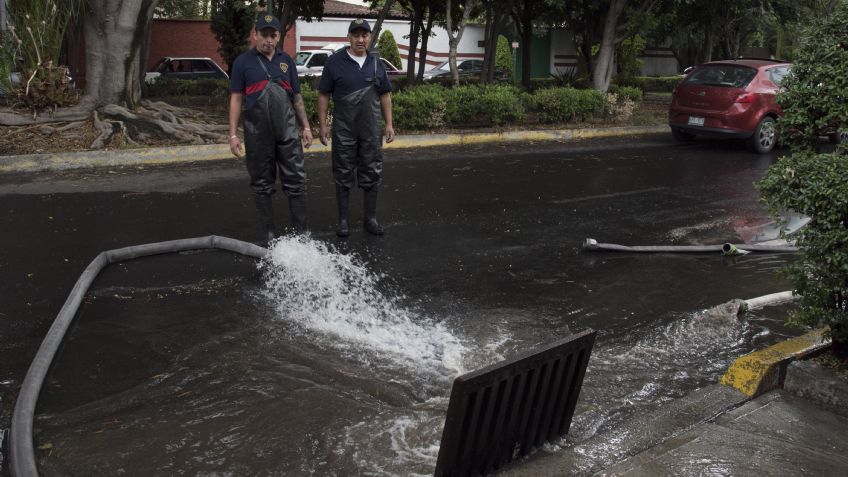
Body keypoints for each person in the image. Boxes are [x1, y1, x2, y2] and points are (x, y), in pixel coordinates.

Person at [228, 14, 313, 243]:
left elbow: (297, 98)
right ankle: (269, 235)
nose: (268, 40)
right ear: (254, 34)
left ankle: (302, 234)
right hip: (257, 136)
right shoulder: (242, 62)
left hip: (287, 132)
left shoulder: (287, 61)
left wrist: (305, 127)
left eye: (272, 35)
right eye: (263, 34)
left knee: (296, 181)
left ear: (278, 36)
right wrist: (233, 134)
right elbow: (236, 99)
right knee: (262, 184)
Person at [317, 18, 394, 237]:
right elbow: (323, 95)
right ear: (348, 37)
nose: (360, 39)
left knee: (371, 171)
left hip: (370, 130)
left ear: (369, 38)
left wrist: (389, 124)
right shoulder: (334, 62)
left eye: (364, 35)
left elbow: (385, 95)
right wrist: (323, 126)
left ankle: (370, 218)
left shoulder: (377, 63)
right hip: (344, 130)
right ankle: (343, 221)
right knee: (343, 172)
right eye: (356, 35)